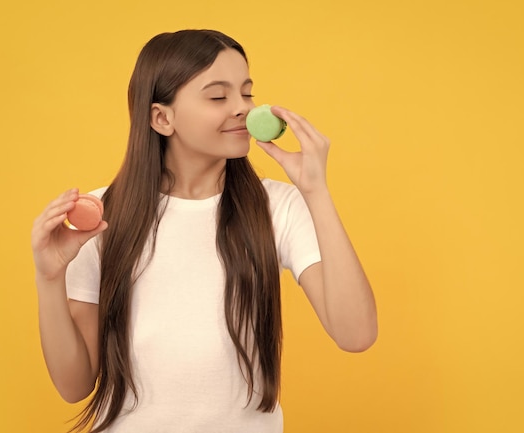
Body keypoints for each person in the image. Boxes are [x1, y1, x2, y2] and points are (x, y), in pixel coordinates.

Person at [31, 29, 378, 433]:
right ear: (162, 118)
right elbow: (74, 385)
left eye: (247, 94)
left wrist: (315, 191)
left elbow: (356, 334)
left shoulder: (276, 207)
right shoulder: (102, 216)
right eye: (218, 96)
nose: (243, 109)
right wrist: (49, 277)